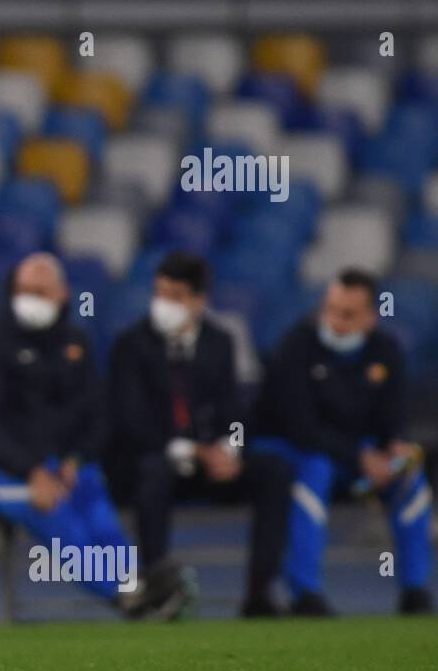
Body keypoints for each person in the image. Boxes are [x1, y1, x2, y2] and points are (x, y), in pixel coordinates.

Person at [0, 253, 153, 615]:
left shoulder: (76, 343)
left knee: (96, 504)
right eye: (23, 290)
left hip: (60, 464)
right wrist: (32, 471)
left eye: (40, 291)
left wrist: (75, 460)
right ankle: (128, 597)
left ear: (63, 295)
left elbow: (97, 414)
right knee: (56, 512)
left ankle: (135, 584)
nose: (30, 298)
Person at [107, 252, 291, 617]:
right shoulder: (132, 344)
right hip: (156, 459)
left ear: (199, 300)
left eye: (175, 296)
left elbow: (235, 412)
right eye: (160, 294)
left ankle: (259, 593)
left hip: (211, 464)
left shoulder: (219, 342)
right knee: (153, 471)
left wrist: (231, 449)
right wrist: (190, 449)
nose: (164, 305)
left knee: (274, 471)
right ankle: (160, 590)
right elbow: (130, 419)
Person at [253, 269, 433, 615]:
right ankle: (305, 592)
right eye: (330, 310)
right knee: (313, 470)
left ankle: (415, 590)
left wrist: (395, 447)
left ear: (371, 317)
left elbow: (392, 417)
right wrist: (360, 456)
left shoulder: (386, 351)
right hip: (302, 450)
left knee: (410, 475)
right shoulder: (298, 345)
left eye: (347, 315)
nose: (335, 322)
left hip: (359, 456)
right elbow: (299, 426)